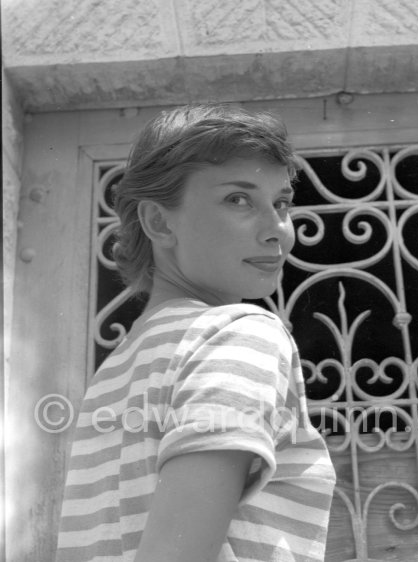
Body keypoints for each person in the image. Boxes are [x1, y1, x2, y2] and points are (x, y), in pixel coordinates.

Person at [55, 104, 336, 562]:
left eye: (281, 203)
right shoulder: (237, 334)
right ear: (159, 222)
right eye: (238, 199)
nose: (277, 231)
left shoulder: (117, 368)